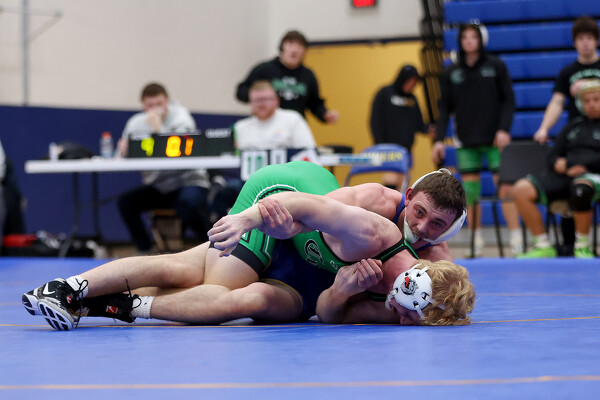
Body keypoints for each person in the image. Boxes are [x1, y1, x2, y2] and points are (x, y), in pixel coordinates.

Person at [23, 162, 471, 329]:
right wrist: (250, 220)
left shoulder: (430, 273)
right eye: (419, 213)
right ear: (408, 197)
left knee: (243, 297)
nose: (423, 228)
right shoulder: (374, 219)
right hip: (285, 201)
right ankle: (70, 288)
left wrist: (342, 291)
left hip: (307, 276)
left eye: (437, 225)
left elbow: (329, 314)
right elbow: (305, 211)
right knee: (201, 279)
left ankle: (104, 302)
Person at [431, 21, 518, 257]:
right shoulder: (451, 72)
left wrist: (504, 129)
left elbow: (509, 101)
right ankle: (475, 239)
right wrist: (439, 139)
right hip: (466, 140)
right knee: (470, 193)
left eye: (473, 37)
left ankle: (516, 237)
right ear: (460, 41)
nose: (469, 41)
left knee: (506, 188)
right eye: (465, 37)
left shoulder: (496, 66)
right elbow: (444, 108)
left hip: (494, 140)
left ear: (481, 40)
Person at [532, 16, 600, 255]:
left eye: (589, 38)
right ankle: (570, 245)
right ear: (574, 42)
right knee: (567, 183)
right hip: (576, 137)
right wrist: (544, 128)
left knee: (582, 185)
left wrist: (587, 84)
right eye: (580, 38)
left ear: (596, 40)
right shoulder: (568, 72)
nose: (585, 43)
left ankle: (582, 244)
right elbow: (557, 103)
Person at [116, 82, 211, 253]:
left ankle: (212, 245)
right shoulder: (135, 123)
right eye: (150, 105)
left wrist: (158, 129)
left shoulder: (182, 118)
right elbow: (121, 154)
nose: (155, 109)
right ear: (143, 105)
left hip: (188, 182)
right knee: (126, 203)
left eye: (159, 104)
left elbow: (180, 152)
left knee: (187, 204)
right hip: (159, 186)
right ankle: (146, 250)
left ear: (167, 101)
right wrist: (124, 150)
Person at [513, 80, 600, 258]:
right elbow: (553, 154)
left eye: (596, 99)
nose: (591, 104)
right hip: (566, 175)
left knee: (580, 189)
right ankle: (543, 245)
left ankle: (581, 246)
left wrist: (576, 164)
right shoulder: (573, 125)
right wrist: (559, 164)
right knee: (521, 189)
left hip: (592, 175)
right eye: (587, 101)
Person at [210, 80, 318, 220]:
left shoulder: (292, 120)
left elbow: (308, 153)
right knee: (222, 196)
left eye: (265, 99)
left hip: (284, 182)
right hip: (248, 183)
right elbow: (228, 157)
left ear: (276, 100)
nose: (261, 104)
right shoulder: (240, 127)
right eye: (256, 100)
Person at [236, 30, 339, 124]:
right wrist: (259, 97)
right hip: (266, 124)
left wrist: (324, 114)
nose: (294, 50)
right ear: (282, 47)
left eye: (299, 46)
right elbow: (241, 91)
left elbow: (315, 103)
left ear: (304, 51)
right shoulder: (264, 69)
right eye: (290, 44)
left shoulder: (308, 75)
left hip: (295, 126)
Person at [370, 64, 435, 190]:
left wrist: (428, 130)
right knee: (391, 183)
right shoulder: (385, 93)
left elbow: (419, 123)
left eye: (414, 82)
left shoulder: (412, 99)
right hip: (389, 150)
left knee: (404, 185)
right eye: (409, 81)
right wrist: (380, 145)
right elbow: (375, 120)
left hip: (407, 150)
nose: (411, 85)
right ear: (402, 79)